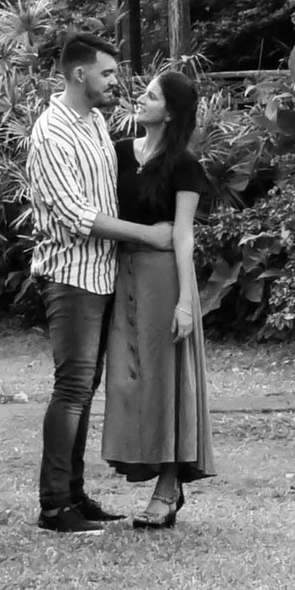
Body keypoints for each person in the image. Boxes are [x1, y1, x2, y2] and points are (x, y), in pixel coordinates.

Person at [26, 34, 173, 536]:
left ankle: (73, 495)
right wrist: (148, 235)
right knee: (71, 389)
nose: (115, 82)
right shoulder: (52, 134)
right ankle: (53, 507)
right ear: (78, 75)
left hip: (101, 275)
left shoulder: (93, 123)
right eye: (107, 73)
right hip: (70, 276)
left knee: (84, 391)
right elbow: (75, 215)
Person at [101, 69, 217, 528]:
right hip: (120, 274)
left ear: (169, 111)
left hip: (164, 279)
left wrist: (188, 301)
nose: (140, 99)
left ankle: (168, 487)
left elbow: (184, 236)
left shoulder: (184, 165)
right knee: (128, 380)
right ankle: (140, 461)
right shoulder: (116, 153)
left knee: (166, 379)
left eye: (151, 96)